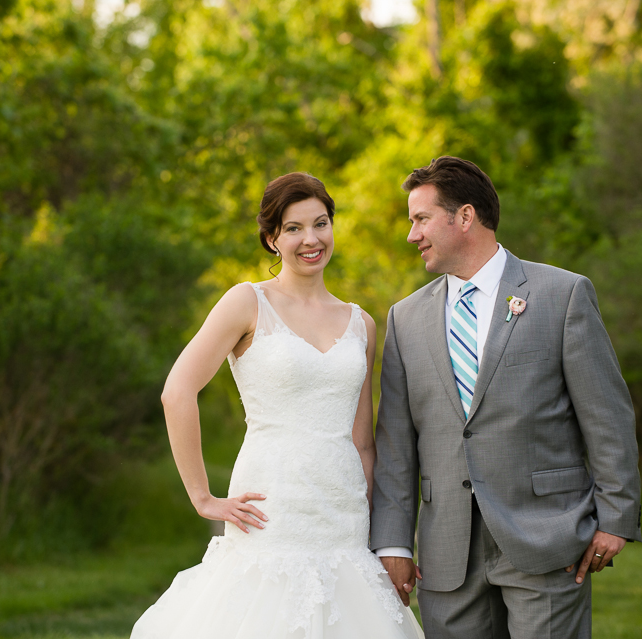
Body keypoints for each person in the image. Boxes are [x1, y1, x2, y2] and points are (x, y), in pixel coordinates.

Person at [130, 172, 424, 639]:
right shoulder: (247, 302)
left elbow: (363, 441)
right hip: (272, 510)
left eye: (321, 223)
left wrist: (377, 533)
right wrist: (202, 496)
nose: (311, 239)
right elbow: (178, 390)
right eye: (293, 228)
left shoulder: (362, 324)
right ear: (272, 238)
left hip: (344, 518)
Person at [370, 156, 642, 639]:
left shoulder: (562, 295)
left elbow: (606, 416)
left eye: (421, 219)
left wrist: (616, 518)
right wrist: (393, 542)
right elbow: (394, 444)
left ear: (466, 217)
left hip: (546, 536)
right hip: (446, 552)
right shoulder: (405, 319)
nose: (412, 235)